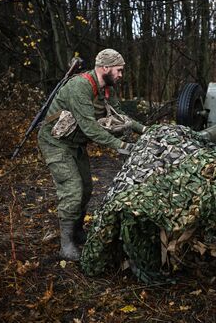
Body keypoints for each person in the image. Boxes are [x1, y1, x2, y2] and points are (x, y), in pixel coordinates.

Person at [38, 49, 146, 261]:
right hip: (56, 143)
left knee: (86, 187)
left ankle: (77, 231)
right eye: (119, 70)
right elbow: (89, 127)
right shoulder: (80, 87)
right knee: (73, 190)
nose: (121, 75)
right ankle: (66, 245)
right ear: (105, 68)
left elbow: (121, 117)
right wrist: (120, 145)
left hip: (75, 144)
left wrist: (145, 131)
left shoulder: (106, 89)